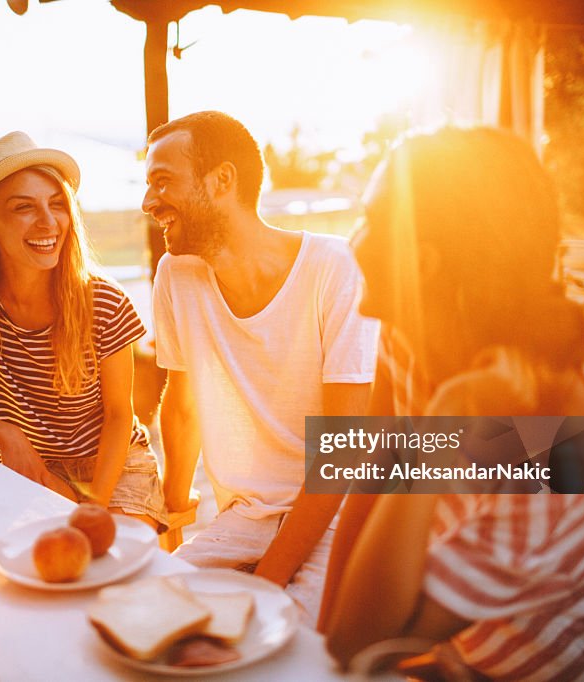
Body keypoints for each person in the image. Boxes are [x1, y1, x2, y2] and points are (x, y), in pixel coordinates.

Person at [321, 127, 584, 679]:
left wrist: (446, 418)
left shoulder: (563, 452)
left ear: (422, 261)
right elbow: (375, 482)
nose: (353, 234)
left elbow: (360, 639)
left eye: (368, 216)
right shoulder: (407, 334)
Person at [143, 111, 379, 624]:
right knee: (156, 615)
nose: (148, 202)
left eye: (162, 181)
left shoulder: (334, 270)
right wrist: (174, 520)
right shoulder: (175, 274)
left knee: (279, 643)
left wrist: (267, 581)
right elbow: (181, 409)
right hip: (245, 517)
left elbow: (343, 455)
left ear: (222, 181)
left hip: (335, 514)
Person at [0, 132, 166, 529]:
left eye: (57, 204)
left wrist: (94, 506)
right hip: (26, 466)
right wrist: (6, 435)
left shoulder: (103, 301)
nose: (48, 222)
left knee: (109, 564)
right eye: (24, 207)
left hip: (113, 468)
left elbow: (119, 415)